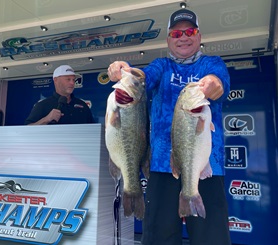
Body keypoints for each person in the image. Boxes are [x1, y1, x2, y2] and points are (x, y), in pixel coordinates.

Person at [107, 8, 231, 245]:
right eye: (176, 33)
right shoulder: (161, 66)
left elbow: (219, 81)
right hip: (162, 164)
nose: (183, 37)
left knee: (211, 236)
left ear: (199, 36)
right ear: (168, 40)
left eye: (190, 31)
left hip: (206, 165)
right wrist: (125, 70)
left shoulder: (212, 63)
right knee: (159, 236)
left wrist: (214, 84)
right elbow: (144, 77)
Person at [25, 65, 94, 125]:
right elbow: (27, 129)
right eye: (68, 79)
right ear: (56, 80)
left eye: (73, 80)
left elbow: (93, 130)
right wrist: (46, 119)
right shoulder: (42, 105)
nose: (72, 83)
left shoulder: (82, 105)